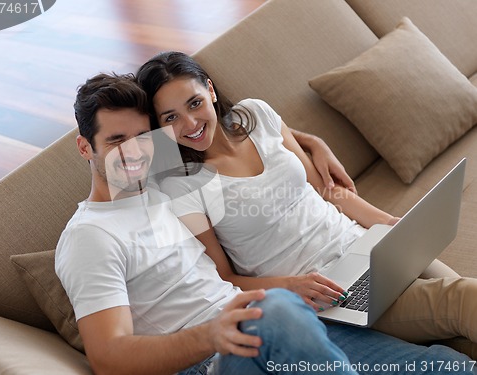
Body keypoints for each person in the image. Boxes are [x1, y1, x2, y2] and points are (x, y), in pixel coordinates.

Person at [55, 72, 475, 375]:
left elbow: (253, 135)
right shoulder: (90, 237)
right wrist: (213, 334)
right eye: (115, 141)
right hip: (214, 357)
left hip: (281, 323)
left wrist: (314, 142)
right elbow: (109, 358)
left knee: (449, 367)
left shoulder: (165, 180)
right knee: (276, 307)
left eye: (144, 136)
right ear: (83, 147)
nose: (135, 153)